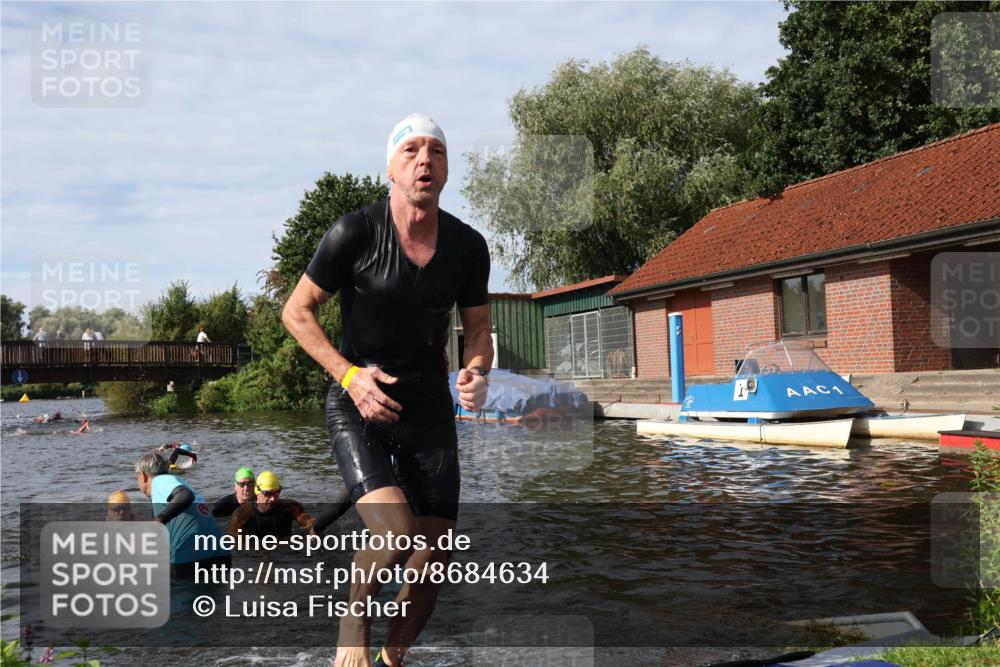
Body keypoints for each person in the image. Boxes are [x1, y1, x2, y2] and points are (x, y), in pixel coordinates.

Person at [282, 113, 492, 667]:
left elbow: (477, 331)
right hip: (361, 400)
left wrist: (476, 372)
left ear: (446, 169)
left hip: (429, 407)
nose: (425, 160)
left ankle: (390, 661)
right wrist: (349, 375)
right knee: (395, 532)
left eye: (436, 151)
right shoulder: (354, 233)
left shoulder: (469, 246)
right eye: (411, 151)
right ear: (391, 170)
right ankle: (354, 623)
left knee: (434, 557)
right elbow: (296, 311)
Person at [134, 451, 229, 577]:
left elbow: (185, 496)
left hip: (192, 560)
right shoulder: (177, 482)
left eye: (137, 477)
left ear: (142, 476)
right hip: (221, 555)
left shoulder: (159, 481)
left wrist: (159, 520)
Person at [228, 470, 316, 538]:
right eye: (268, 494)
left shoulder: (291, 507)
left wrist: (313, 531)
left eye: (277, 493)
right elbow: (236, 546)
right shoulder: (241, 515)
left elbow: (311, 524)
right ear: (257, 491)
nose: (273, 498)